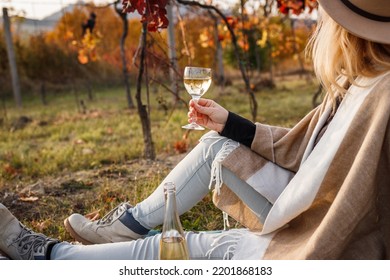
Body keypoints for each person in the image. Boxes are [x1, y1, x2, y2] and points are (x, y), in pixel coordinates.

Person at [1, 0, 390, 260]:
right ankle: (122, 228)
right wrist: (231, 123)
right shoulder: (363, 81)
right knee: (214, 144)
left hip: (323, 220)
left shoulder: (382, 92)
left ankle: (50, 255)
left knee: (182, 247)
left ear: (343, 28)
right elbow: (310, 146)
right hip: (311, 196)